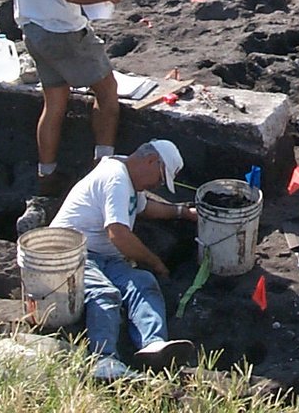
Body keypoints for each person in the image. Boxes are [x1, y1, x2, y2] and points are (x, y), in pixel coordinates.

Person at [2, 0, 125, 197]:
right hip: (63, 31)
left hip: (31, 28)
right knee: (107, 92)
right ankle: (103, 168)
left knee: (54, 101)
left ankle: (47, 174)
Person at [50, 139, 197, 380]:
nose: (157, 185)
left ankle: (154, 345)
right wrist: (155, 261)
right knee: (105, 294)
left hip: (105, 258)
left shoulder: (127, 178)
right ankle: (103, 360)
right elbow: (118, 233)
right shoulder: (116, 177)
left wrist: (182, 212)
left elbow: (145, 207)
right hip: (71, 253)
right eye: (160, 179)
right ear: (151, 161)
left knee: (143, 283)